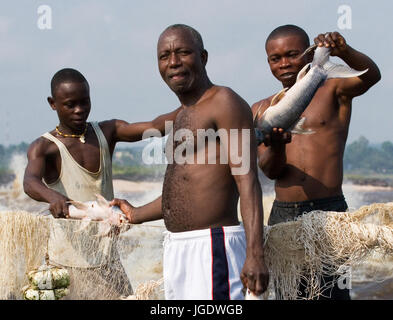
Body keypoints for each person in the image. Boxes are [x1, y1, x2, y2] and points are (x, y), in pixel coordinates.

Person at [111, 24, 269, 300]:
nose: (173, 62)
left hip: (213, 245)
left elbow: (247, 180)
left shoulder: (224, 102)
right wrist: (136, 214)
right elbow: (188, 190)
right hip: (178, 248)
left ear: (203, 57)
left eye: (183, 52)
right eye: (164, 56)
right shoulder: (179, 115)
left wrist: (255, 254)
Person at [23, 68, 181, 299]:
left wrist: (195, 101)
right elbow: (30, 182)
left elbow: (157, 127)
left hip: (107, 258)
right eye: (70, 104)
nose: (79, 110)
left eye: (85, 102)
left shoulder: (107, 131)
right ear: (52, 103)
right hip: (67, 261)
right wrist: (52, 197)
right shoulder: (45, 146)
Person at [252, 25, 381, 299]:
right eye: (276, 58)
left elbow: (372, 76)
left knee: (334, 294)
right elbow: (271, 170)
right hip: (283, 215)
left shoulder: (334, 88)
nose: (284, 63)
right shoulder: (261, 109)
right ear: (268, 63)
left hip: (330, 212)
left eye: (292, 54)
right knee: (290, 294)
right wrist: (276, 148)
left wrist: (343, 51)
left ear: (310, 53)